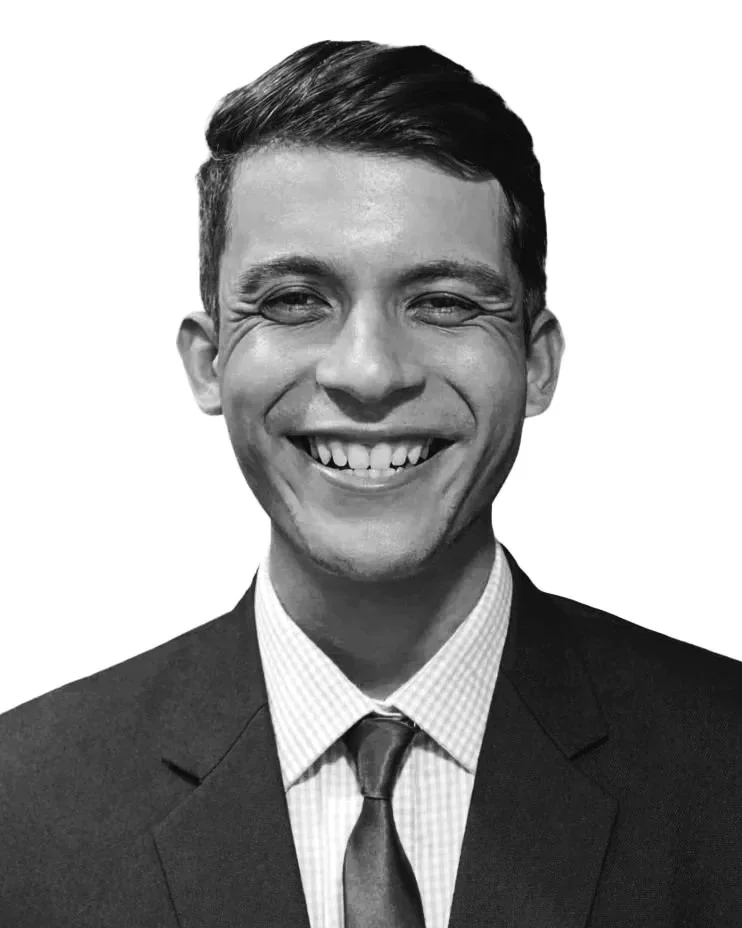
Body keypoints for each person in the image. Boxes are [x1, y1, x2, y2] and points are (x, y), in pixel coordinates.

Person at [1, 39, 740, 928]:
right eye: (294, 301)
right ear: (208, 362)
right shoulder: (22, 811)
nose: (368, 372)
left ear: (537, 363)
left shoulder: (725, 766)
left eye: (445, 303)